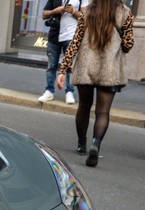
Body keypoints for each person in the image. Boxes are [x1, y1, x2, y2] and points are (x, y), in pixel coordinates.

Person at [57, 0, 134, 166]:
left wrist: (63, 69)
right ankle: (95, 144)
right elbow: (128, 44)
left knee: (84, 106)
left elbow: (75, 42)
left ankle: (81, 145)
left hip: (86, 67)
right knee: (103, 112)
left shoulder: (87, 12)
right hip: (110, 69)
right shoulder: (125, 13)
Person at [38, 0, 88, 105]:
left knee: (70, 66)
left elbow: (85, 17)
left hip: (71, 35)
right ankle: (49, 90)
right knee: (51, 66)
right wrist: (56, 11)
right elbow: (44, 14)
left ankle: (69, 92)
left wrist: (73, 11)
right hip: (54, 35)